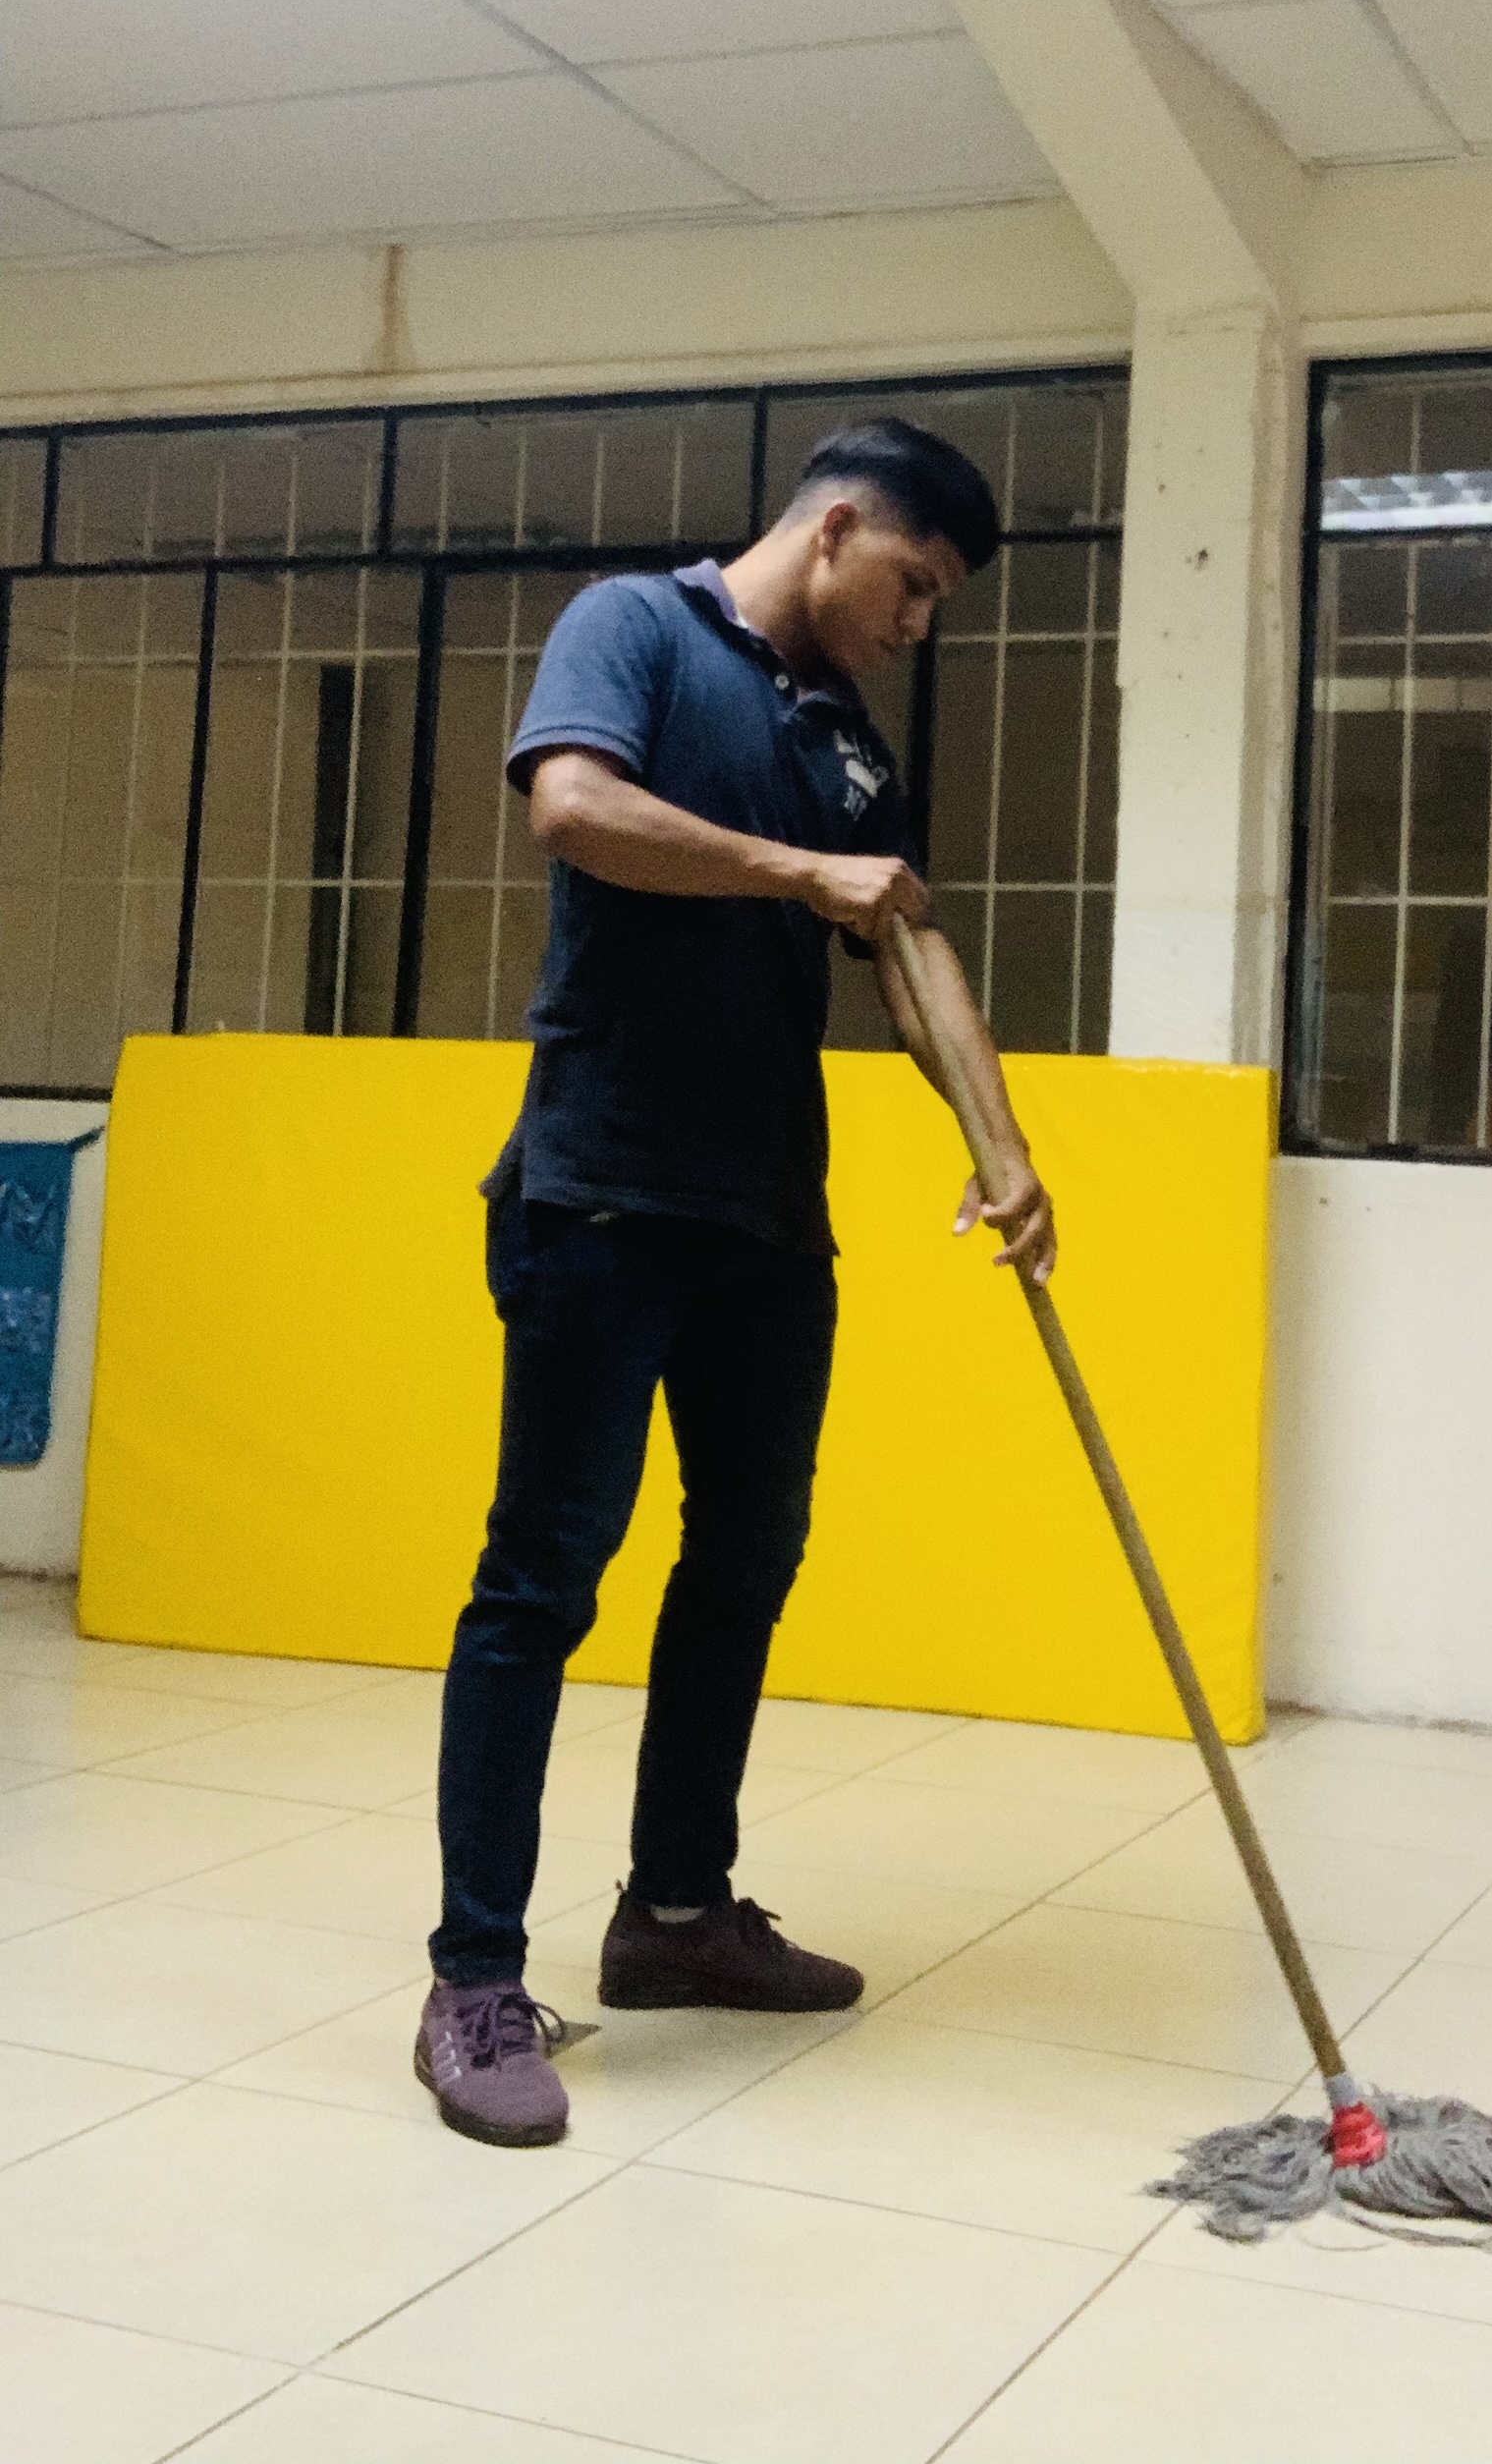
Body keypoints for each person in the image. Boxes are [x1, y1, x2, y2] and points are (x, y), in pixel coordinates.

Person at [414, 418, 1056, 2148]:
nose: (918, 622)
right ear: (836, 528)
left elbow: (905, 935)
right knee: (543, 1578)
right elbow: (573, 810)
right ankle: (474, 1978)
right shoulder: (633, 626)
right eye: (914, 582)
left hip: (769, 1217)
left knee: (747, 1559)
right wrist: (797, 871)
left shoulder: (846, 743)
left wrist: (1003, 1149)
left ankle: (678, 1913)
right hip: (601, 1191)